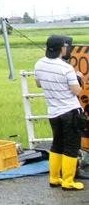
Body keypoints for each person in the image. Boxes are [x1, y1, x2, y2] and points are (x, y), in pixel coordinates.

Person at [35, 34, 84, 190]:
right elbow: (77, 91)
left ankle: (55, 178)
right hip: (70, 112)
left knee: (57, 144)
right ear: (62, 48)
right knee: (71, 146)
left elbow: (38, 83)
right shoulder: (66, 68)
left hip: (53, 112)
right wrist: (79, 78)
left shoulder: (39, 64)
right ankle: (68, 181)